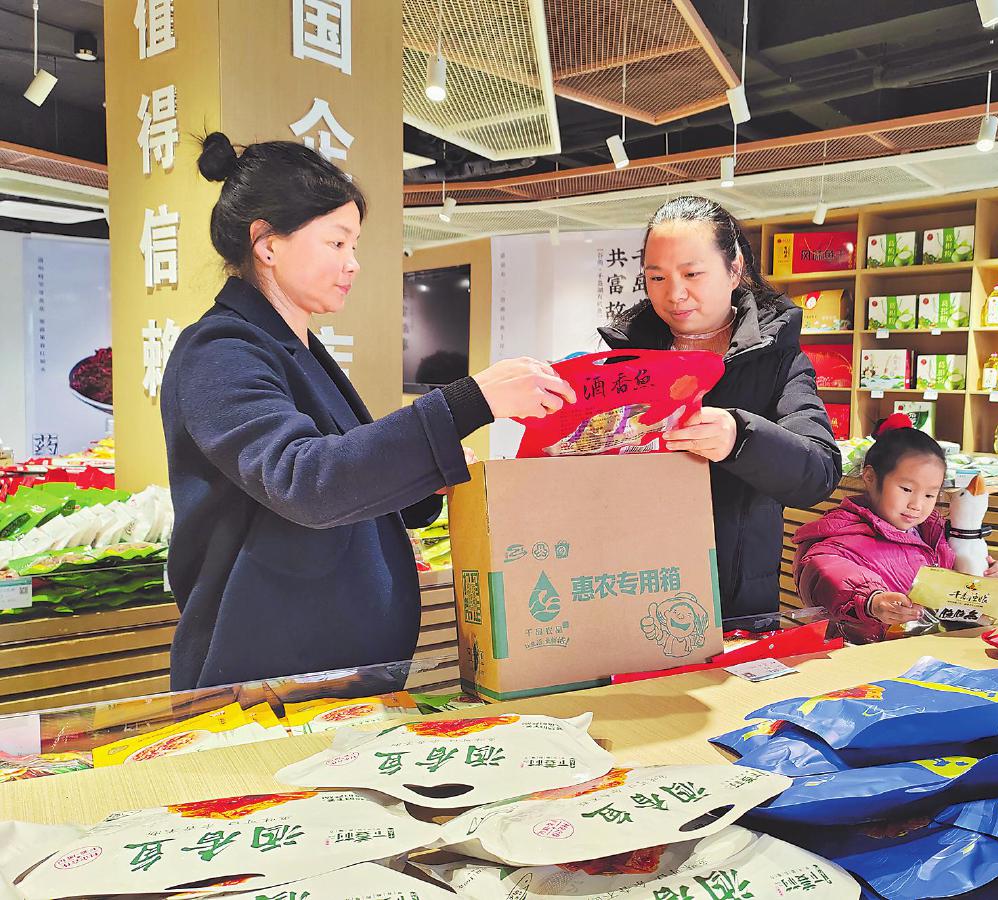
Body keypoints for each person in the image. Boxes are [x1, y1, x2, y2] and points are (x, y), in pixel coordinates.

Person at [161, 134, 574, 690]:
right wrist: (469, 401)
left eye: (353, 245)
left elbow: (346, 477)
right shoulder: (220, 350)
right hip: (264, 675)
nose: (352, 264)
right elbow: (306, 480)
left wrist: (428, 475)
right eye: (336, 243)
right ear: (267, 243)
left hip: (324, 666)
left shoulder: (297, 347)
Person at [599, 196, 841, 620]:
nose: (674, 294)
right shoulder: (627, 358)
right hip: (631, 587)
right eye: (656, 277)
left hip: (734, 604)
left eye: (692, 273)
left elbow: (819, 474)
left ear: (734, 270)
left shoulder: (776, 359)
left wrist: (740, 437)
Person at [791, 414, 998, 643]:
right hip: (872, 655)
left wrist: (991, 577)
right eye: (906, 489)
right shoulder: (843, 533)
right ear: (870, 477)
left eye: (929, 495)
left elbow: (964, 585)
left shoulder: (937, 536)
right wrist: (871, 600)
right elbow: (825, 570)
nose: (917, 505)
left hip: (930, 651)